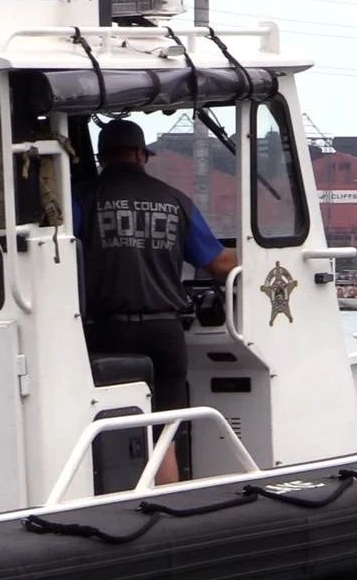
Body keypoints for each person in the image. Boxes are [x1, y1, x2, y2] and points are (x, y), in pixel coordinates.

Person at [74, 118, 237, 485]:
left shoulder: (83, 198)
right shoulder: (175, 201)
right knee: (165, 432)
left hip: (104, 333)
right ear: (139, 155)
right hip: (163, 331)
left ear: (103, 157)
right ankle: (167, 505)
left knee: (104, 426)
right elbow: (219, 263)